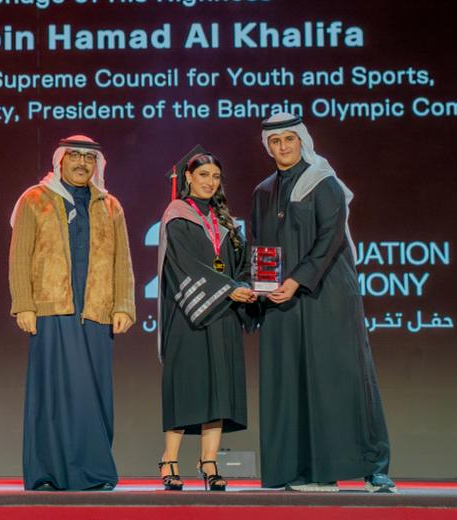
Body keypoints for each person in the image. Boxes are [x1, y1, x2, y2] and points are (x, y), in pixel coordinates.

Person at [250, 113, 395, 493]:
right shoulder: (263, 192)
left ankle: (373, 467)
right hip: (281, 299)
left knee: (342, 377)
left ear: (301, 140)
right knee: (291, 381)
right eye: (275, 141)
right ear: (267, 146)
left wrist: (297, 280)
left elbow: (330, 239)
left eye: (289, 139)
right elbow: (260, 246)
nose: (283, 147)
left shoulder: (323, 182)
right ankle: (305, 470)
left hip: (325, 294)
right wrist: (262, 289)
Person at [8, 134, 135, 491]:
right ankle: (47, 473)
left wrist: (124, 305)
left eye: (88, 158)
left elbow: (122, 260)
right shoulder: (35, 199)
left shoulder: (110, 206)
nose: (81, 163)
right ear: (60, 161)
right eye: (75, 156)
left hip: (96, 311)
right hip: (52, 311)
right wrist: (24, 304)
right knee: (52, 395)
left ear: (97, 165)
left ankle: (94, 473)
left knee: (93, 393)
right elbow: (20, 257)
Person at [156, 146, 257, 491]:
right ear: (188, 177)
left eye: (216, 177)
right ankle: (170, 460)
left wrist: (247, 285)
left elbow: (240, 264)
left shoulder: (224, 220)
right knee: (186, 386)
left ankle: (209, 461)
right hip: (189, 314)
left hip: (223, 315)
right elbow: (184, 265)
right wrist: (229, 288)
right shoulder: (176, 215)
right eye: (203, 175)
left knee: (219, 389)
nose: (210, 182)